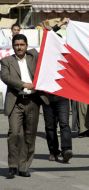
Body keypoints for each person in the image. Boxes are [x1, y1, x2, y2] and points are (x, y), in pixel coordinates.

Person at [0, 34, 49, 178]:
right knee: (15, 133)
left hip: (33, 101)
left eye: (22, 45)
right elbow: (6, 77)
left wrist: (52, 30)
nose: (19, 47)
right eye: (16, 45)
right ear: (13, 47)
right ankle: (12, 166)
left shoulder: (34, 56)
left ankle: (24, 166)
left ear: (27, 46)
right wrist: (23, 84)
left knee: (29, 136)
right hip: (16, 101)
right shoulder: (6, 61)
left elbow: (48, 49)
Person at [41, 18, 73, 163]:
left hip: (62, 95)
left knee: (64, 123)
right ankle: (54, 151)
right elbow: (49, 37)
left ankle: (66, 150)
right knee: (50, 126)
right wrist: (59, 25)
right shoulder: (45, 56)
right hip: (47, 96)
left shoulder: (66, 58)